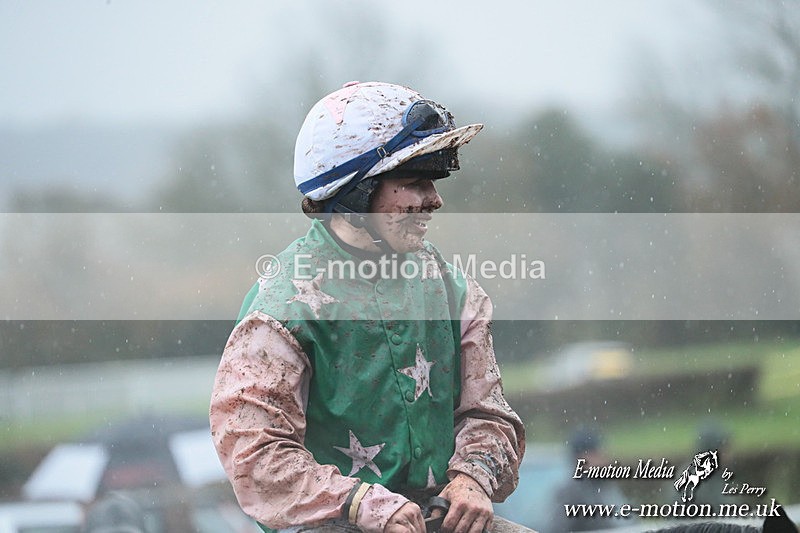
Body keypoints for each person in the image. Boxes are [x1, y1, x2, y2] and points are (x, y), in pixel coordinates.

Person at [210, 81, 527, 533]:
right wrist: (363, 503)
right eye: (414, 183)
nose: (434, 200)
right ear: (357, 193)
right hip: (329, 524)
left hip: (435, 520)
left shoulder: (452, 288)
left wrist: (472, 478)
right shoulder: (281, 312)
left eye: (432, 183)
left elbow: (488, 413)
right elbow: (253, 453)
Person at [549, 428, 627, 532]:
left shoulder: (606, 485)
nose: (603, 457)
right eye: (596, 452)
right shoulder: (571, 493)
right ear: (580, 457)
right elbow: (559, 529)